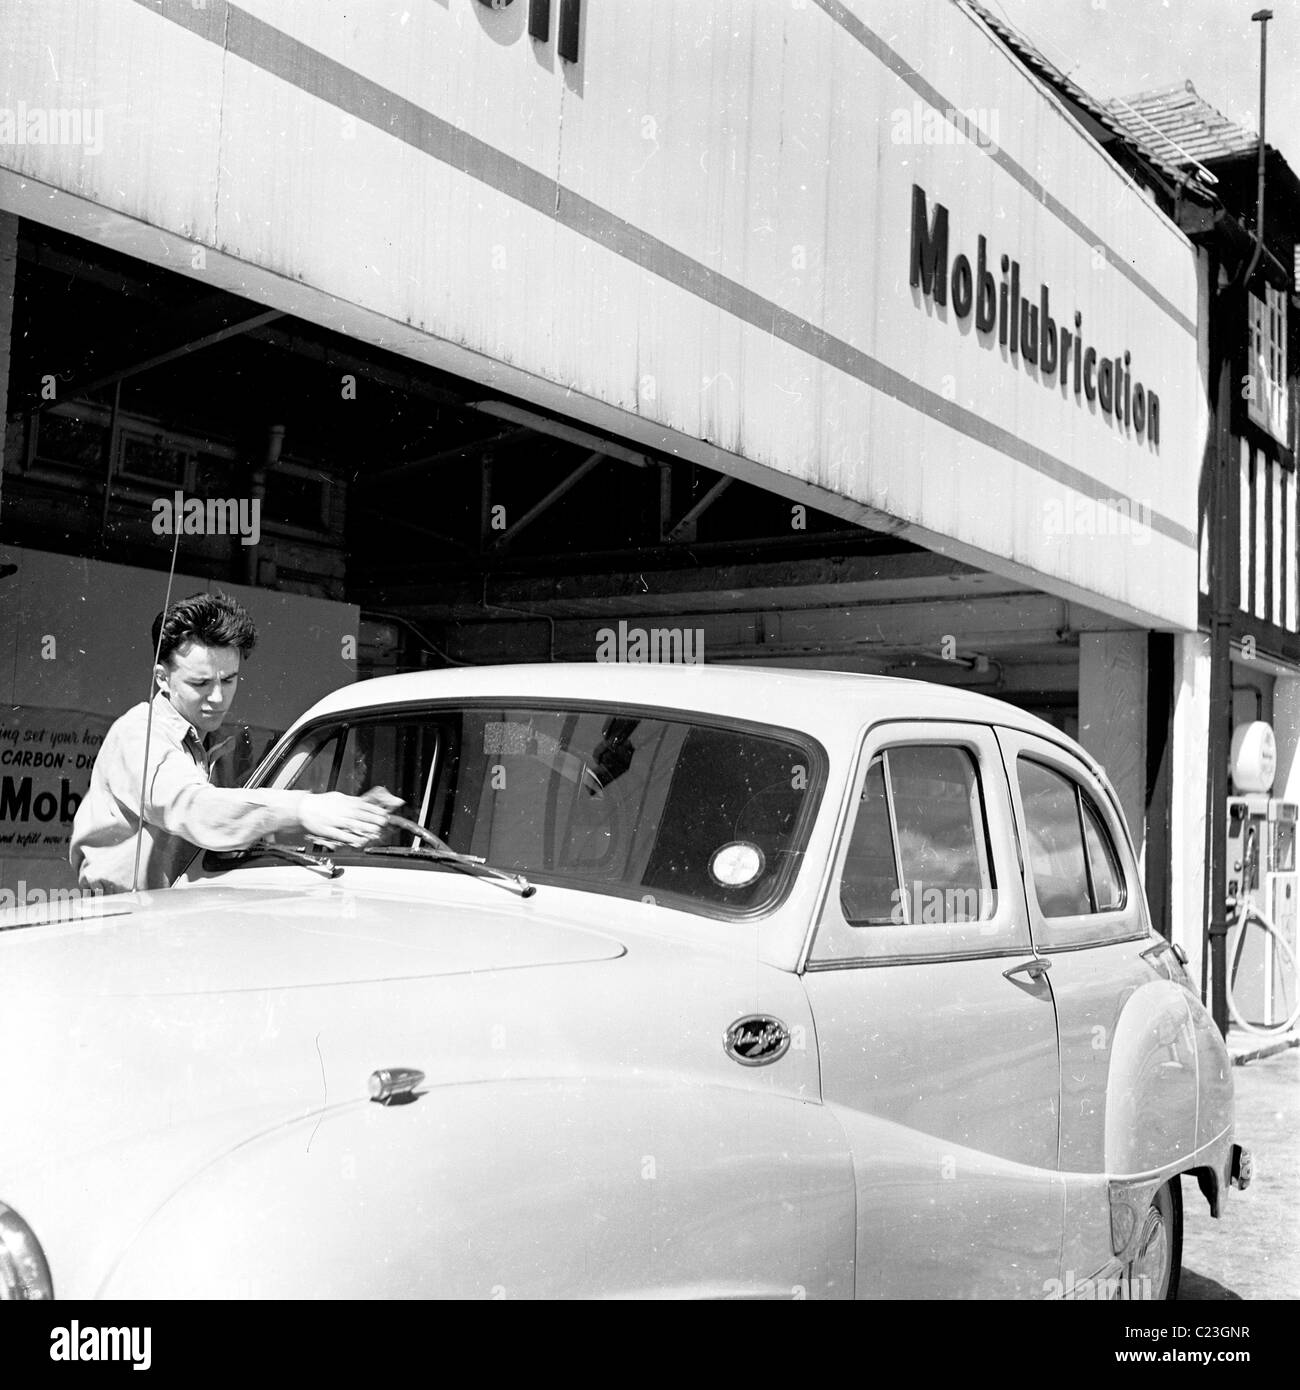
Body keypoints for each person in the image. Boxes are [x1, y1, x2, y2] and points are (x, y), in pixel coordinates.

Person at [70, 591, 394, 894]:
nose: (217, 697)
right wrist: (303, 808)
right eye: (200, 682)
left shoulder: (220, 743)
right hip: (123, 921)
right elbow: (192, 807)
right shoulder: (139, 735)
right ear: (161, 678)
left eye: (229, 679)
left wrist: (355, 817)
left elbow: (242, 822)